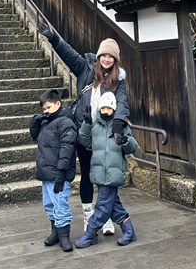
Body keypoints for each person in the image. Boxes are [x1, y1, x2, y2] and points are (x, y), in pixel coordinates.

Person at [37, 23, 130, 234]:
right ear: (98, 56)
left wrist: (118, 124)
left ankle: (104, 214)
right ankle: (89, 214)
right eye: (104, 55)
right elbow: (68, 54)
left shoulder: (119, 81)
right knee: (88, 174)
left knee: (105, 176)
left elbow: (122, 103)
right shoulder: (85, 69)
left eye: (111, 57)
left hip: (105, 134)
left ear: (115, 60)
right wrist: (54, 38)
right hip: (84, 131)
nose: (107, 60)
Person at [74, 91, 138, 248]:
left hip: (113, 173)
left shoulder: (120, 126)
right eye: (102, 108)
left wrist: (125, 141)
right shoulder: (95, 126)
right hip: (98, 171)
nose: (105, 111)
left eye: (108, 109)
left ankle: (90, 233)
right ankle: (129, 231)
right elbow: (84, 140)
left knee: (102, 207)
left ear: (114, 109)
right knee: (113, 205)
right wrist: (86, 124)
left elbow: (133, 146)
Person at [29, 88, 77, 252]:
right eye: (43, 109)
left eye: (48, 108)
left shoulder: (66, 122)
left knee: (60, 203)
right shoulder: (46, 122)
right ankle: (55, 232)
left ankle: (64, 236)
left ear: (58, 103)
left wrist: (61, 172)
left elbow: (67, 148)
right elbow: (35, 136)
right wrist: (36, 121)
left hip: (59, 173)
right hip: (46, 171)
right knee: (49, 204)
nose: (46, 111)